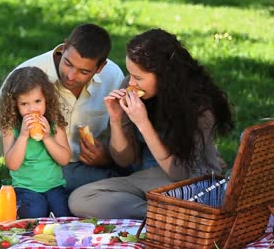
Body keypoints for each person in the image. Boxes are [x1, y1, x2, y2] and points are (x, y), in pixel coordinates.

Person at [68, 29, 234, 219]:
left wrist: (143, 122)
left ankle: (180, 213)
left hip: (191, 181)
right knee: (80, 197)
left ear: (164, 77)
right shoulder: (129, 87)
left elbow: (178, 172)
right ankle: (172, 214)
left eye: (138, 78)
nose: (131, 82)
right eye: (130, 74)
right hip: (144, 176)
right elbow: (124, 159)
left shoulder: (199, 107)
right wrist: (115, 119)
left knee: (84, 197)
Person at [0, 23, 126, 197]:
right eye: (68, 63)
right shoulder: (27, 76)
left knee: (124, 181)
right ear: (63, 48)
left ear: (100, 68)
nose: (71, 76)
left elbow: (123, 131)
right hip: (42, 168)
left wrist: (106, 157)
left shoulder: (112, 76)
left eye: (83, 72)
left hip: (92, 168)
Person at [0, 66, 71, 218]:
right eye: (24, 104)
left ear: (46, 99)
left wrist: (47, 138)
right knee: (35, 211)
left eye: (37, 101)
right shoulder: (11, 126)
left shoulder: (54, 121)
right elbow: (12, 164)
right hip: (25, 187)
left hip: (54, 186)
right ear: (15, 104)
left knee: (63, 213)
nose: (32, 109)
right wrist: (23, 136)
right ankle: (15, 209)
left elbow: (64, 159)